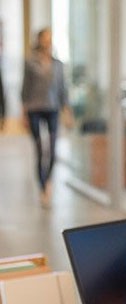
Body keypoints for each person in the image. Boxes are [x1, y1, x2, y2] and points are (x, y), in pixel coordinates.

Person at [21, 27, 72, 207]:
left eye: (51, 38)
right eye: (46, 37)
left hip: (52, 108)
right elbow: (25, 88)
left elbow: (62, 89)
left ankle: (48, 180)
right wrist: (24, 112)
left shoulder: (58, 64)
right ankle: (42, 186)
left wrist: (67, 111)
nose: (48, 41)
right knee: (40, 149)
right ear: (39, 40)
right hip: (34, 108)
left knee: (52, 148)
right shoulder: (30, 62)